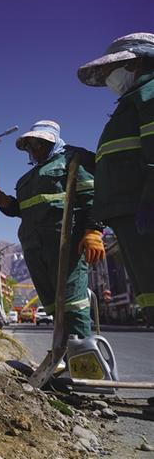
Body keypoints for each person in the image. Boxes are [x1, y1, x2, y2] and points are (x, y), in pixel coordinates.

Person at [0, 120, 105, 338]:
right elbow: (26, 210)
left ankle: (83, 354)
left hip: (64, 245)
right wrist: (6, 202)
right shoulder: (28, 179)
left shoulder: (74, 159)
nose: (34, 149)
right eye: (30, 145)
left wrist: (93, 231)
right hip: (34, 248)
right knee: (54, 307)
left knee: (72, 305)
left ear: (52, 141)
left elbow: (95, 196)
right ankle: (66, 350)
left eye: (39, 143)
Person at [77, 32, 154, 326]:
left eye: (112, 69)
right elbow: (122, 162)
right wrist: (89, 160)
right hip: (129, 214)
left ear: (135, 63)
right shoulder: (130, 103)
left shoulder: (149, 95)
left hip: (143, 209)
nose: (110, 77)